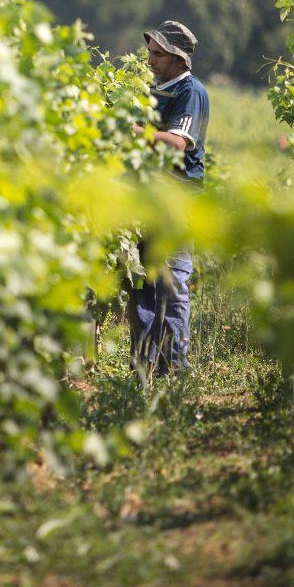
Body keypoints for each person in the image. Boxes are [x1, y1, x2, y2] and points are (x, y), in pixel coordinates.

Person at [128, 19, 209, 377]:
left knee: (172, 285)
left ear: (179, 58)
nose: (150, 60)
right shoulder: (151, 89)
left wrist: (130, 130)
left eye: (158, 54)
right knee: (141, 286)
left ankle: (173, 372)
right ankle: (143, 371)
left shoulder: (190, 92)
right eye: (150, 52)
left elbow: (177, 143)